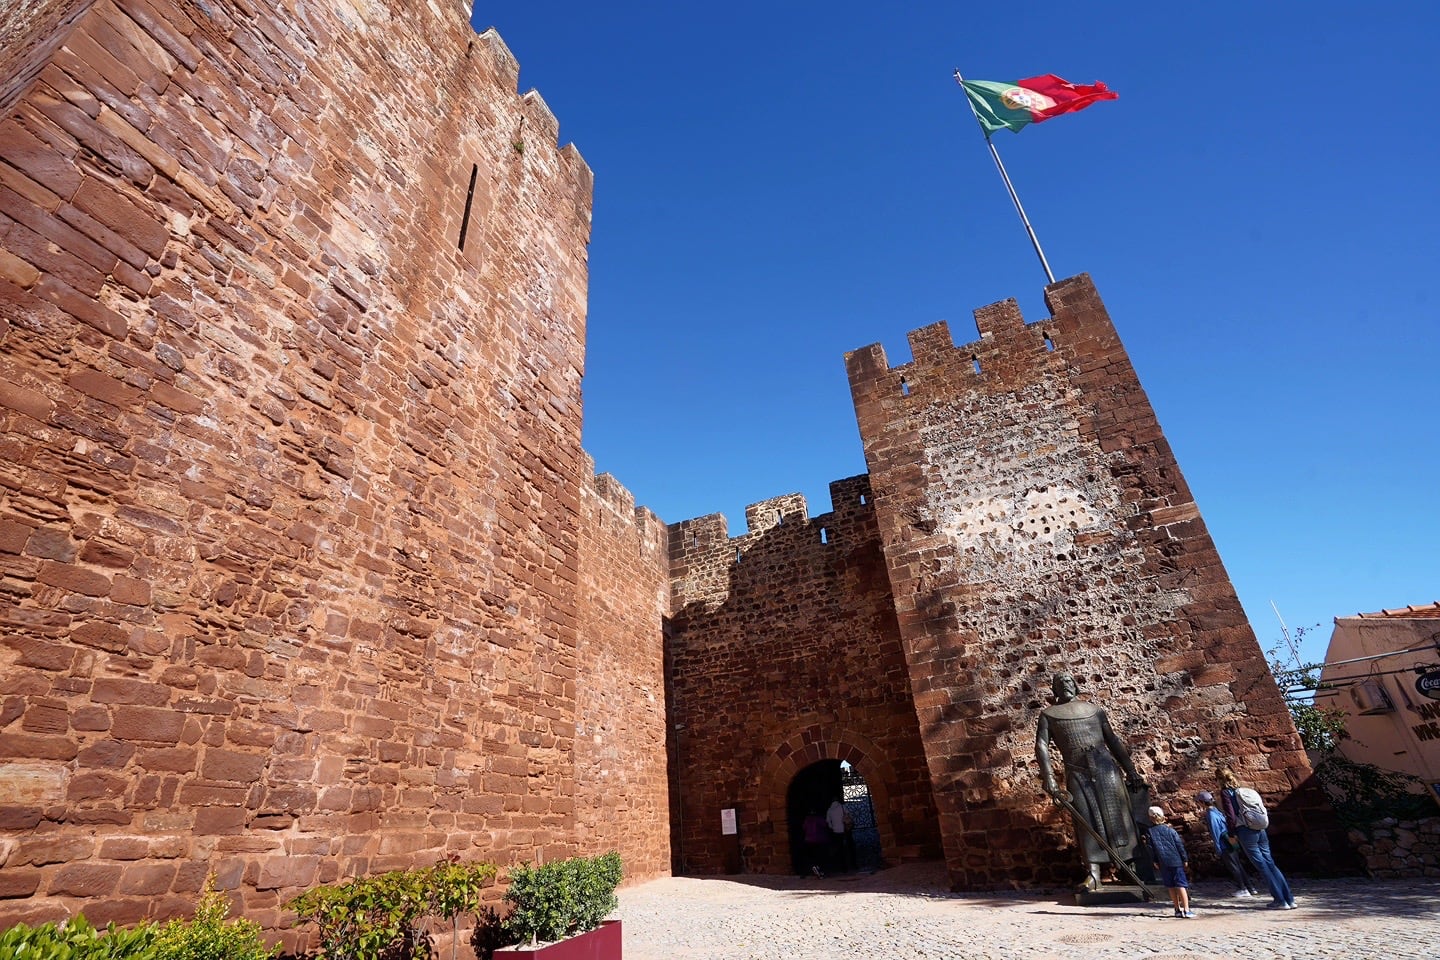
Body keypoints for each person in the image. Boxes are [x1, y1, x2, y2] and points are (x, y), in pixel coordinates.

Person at [1035, 671, 1147, 890]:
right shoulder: (1049, 715)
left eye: (1068, 681)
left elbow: (1112, 740)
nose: (1065, 684)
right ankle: (1094, 872)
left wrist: (1131, 770)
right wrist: (1049, 777)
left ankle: (1128, 867)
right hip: (1078, 771)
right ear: (1054, 690)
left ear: (1075, 686)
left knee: (1120, 817)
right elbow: (1041, 746)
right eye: (1060, 683)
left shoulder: (1095, 711)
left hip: (1106, 768)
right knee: (1086, 819)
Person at [1217, 766, 1295, 909]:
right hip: (1260, 828)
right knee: (1270, 863)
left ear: (1219, 780)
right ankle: (1289, 899)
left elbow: (1230, 815)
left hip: (1245, 831)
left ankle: (1280, 900)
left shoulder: (1226, 793)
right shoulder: (1243, 790)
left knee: (1262, 866)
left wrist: (1232, 833)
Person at [1196, 790, 1260, 897]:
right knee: (1238, 864)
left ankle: (1242, 888)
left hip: (1223, 843)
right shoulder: (1217, 811)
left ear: (1202, 802)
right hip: (1230, 840)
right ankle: (1250, 887)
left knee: (1233, 866)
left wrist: (1217, 848)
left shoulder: (1210, 815)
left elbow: (1215, 832)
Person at [1146, 805, 1193, 918]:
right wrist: (1184, 858)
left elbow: (1151, 848)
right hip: (1175, 860)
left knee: (1171, 886)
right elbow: (1179, 845)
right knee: (1181, 884)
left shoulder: (1150, 832)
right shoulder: (1171, 831)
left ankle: (1177, 909)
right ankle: (1186, 909)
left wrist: (1155, 861)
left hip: (1163, 862)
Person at [801, 808, 829, 877]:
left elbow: (804, 828)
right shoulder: (819, 819)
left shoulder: (807, 820)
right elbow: (825, 825)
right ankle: (819, 869)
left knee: (811, 856)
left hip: (809, 840)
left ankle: (813, 867)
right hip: (819, 840)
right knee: (820, 856)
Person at [825, 797, 847, 873]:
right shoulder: (842, 807)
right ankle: (850, 864)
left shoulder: (830, 810)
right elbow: (848, 814)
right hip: (844, 829)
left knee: (839, 847)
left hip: (836, 831)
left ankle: (840, 865)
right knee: (847, 846)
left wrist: (832, 827)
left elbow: (828, 821)